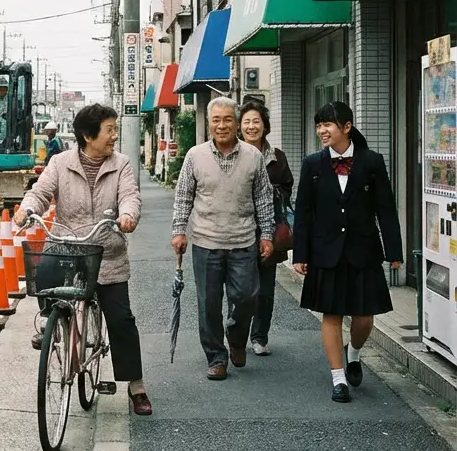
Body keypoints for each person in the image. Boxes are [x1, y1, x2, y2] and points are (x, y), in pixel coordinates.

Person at [15, 103, 151, 416]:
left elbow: (130, 196)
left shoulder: (122, 164)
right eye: (109, 130)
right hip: (67, 247)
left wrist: (128, 215)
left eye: (116, 129)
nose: (114, 136)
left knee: (121, 320)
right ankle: (51, 323)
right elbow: (41, 192)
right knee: (44, 276)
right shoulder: (60, 163)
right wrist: (27, 209)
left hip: (106, 251)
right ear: (88, 136)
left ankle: (137, 386)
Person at [292, 101, 403, 404]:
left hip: (363, 250)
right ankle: (338, 378)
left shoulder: (372, 161)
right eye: (319, 125)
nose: (322, 131)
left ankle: (353, 352)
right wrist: (299, 254)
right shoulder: (313, 164)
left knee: (364, 317)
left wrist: (394, 251)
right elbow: (303, 212)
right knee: (330, 314)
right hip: (325, 251)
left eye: (327, 124)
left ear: (346, 127)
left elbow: (386, 210)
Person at [170, 96, 275, 380]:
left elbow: (264, 199)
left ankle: (237, 337)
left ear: (237, 122)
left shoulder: (253, 157)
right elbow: (183, 197)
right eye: (216, 120)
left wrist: (266, 235)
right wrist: (179, 230)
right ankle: (216, 356)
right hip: (206, 242)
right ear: (209, 123)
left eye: (228, 119)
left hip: (243, 241)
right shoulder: (195, 155)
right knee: (209, 304)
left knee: (246, 298)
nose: (222, 125)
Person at [238, 99, 295, 356]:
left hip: (269, 230)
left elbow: (287, 187)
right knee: (240, 289)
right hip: (238, 230)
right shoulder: (233, 154)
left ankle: (259, 336)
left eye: (256, 121)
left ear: (265, 125)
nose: (252, 127)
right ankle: (237, 334)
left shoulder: (277, 157)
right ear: (240, 126)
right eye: (247, 122)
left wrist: (269, 192)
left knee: (266, 290)